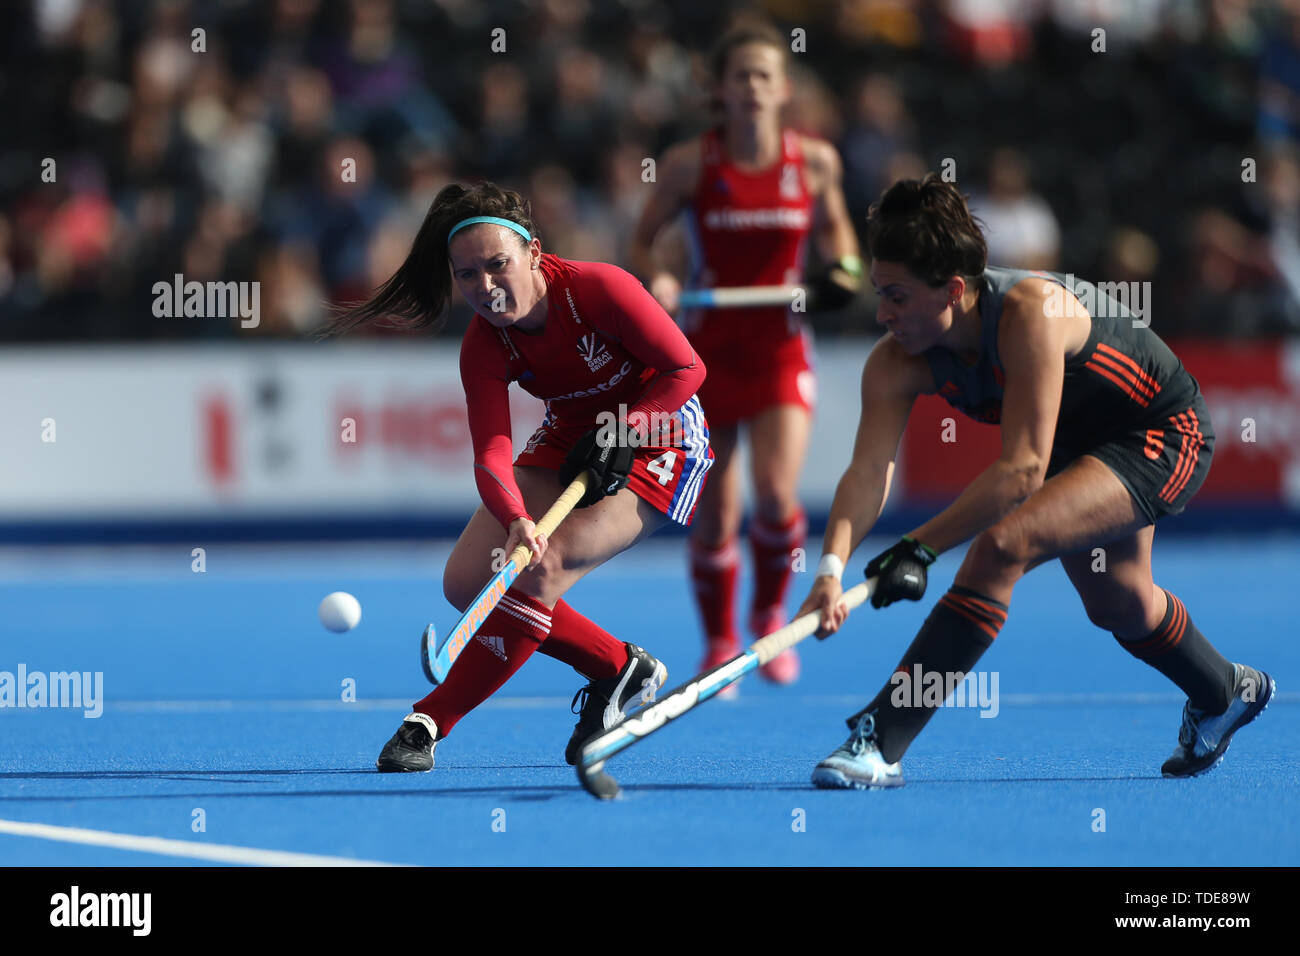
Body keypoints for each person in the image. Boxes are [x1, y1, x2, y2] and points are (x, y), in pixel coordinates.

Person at [797, 174, 1273, 789]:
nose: (883, 313)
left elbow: (1021, 471)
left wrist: (920, 547)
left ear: (954, 290)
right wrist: (832, 567)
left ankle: (880, 740)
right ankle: (1224, 690)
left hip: (1160, 431)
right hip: (1076, 445)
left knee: (1000, 548)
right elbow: (867, 473)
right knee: (1118, 602)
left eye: (897, 296)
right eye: (879, 294)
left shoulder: (1028, 313)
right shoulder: (893, 361)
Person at [332, 181, 713, 771]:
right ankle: (619, 666)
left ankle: (430, 719)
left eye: (497, 265)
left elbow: (686, 367)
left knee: (542, 574)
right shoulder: (484, 344)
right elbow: (491, 451)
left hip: (662, 432)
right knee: (468, 582)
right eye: (466, 275)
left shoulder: (599, 289)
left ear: (534, 252)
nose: (484, 287)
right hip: (571, 431)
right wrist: (515, 520)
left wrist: (627, 430)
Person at [630, 20, 861, 690]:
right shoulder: (690, 163)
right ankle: (719, 642)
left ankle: (768, 619)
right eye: (741, 77)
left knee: (776, 494)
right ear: (721, 92)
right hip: (706, 353)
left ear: (783, 89)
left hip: (781, 350)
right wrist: (662, 280)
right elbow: (644, 243)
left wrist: (841, 271)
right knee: (714, 510)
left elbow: (839, 243)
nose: (754, 87)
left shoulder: (814, 163)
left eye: (765, 76)